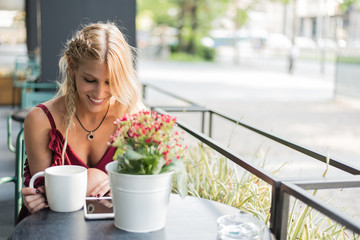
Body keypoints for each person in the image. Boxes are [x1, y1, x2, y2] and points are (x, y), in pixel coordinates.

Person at [18, 22, 144, 223]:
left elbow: (145, 192)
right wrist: (35, 200)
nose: (99, 93)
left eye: (110, 82)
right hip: (49, 227)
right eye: (90, 80)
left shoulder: (133, 120)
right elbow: (45, 199)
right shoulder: (41, 120)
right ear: (72, 66)